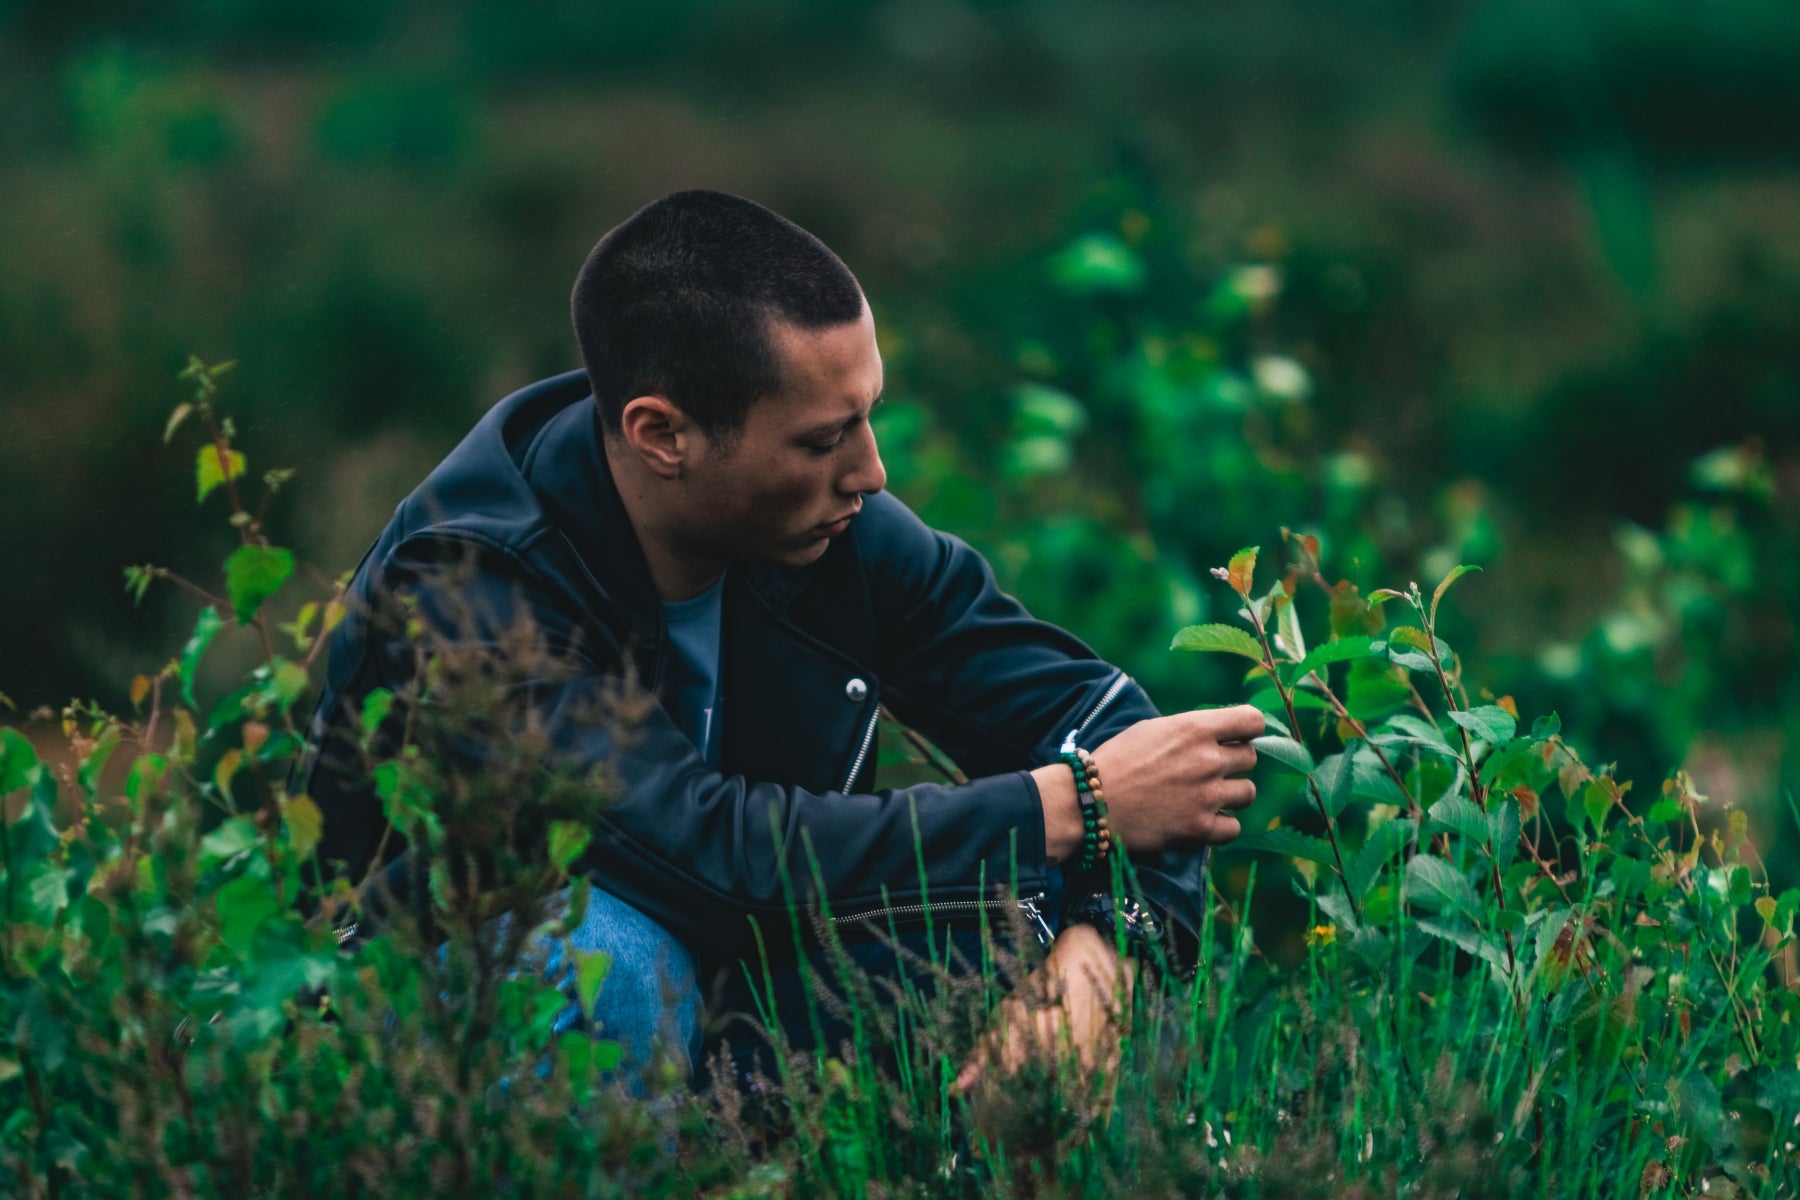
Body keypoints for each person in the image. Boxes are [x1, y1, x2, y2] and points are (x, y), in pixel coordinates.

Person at [298, 189, 1262, 1090]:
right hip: (422, 1015)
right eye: (822, 440)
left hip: (727, 972)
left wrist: (1104, 955)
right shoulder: (473, 585)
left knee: (1039, 940)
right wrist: (1077, 805)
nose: (872, 472)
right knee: (610, 961)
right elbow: (709, 858)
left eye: (867, 420)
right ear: (661, 435)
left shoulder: (828, 530)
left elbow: (1125, 740)